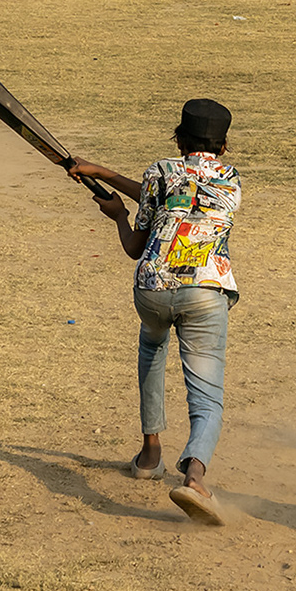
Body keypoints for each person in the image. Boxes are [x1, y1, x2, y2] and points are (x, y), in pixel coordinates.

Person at [67, 98, 241, 527]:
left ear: (178, 139)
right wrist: (104, 173)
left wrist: (118, 214)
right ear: (224, 146)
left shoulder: (159, 172)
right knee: (206, 397)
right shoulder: (231, 180)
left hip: (152, 290)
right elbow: (181, 199)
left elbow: (139, 237)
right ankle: (195, 477)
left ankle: (150, 452)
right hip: (204, 291)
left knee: (152, 347)